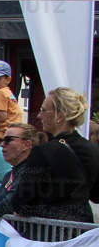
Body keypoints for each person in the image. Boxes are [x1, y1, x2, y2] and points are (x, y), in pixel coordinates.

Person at [13, 87, 99, 223]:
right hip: (82, 234)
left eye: (44, 111)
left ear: (60, 115)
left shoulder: (43, 152)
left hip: (50, 235)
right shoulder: (93, 150)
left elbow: (21, 202)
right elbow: (96, 196)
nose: (39, 116)